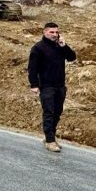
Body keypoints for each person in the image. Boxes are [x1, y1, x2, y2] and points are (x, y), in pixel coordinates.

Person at [27, 22, 77, 152]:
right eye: (51, 32)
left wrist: (64, 46)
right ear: (44, 32)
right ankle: (50, 141)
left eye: (56, 32)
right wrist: (34, 85)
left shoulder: (59, 46)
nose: (54, 35)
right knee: (49, 112)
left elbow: (72, 58)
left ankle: (50, 136)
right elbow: (32, 68)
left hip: (60, 86)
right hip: (46, 86)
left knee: (57, 113)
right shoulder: (38, 48)